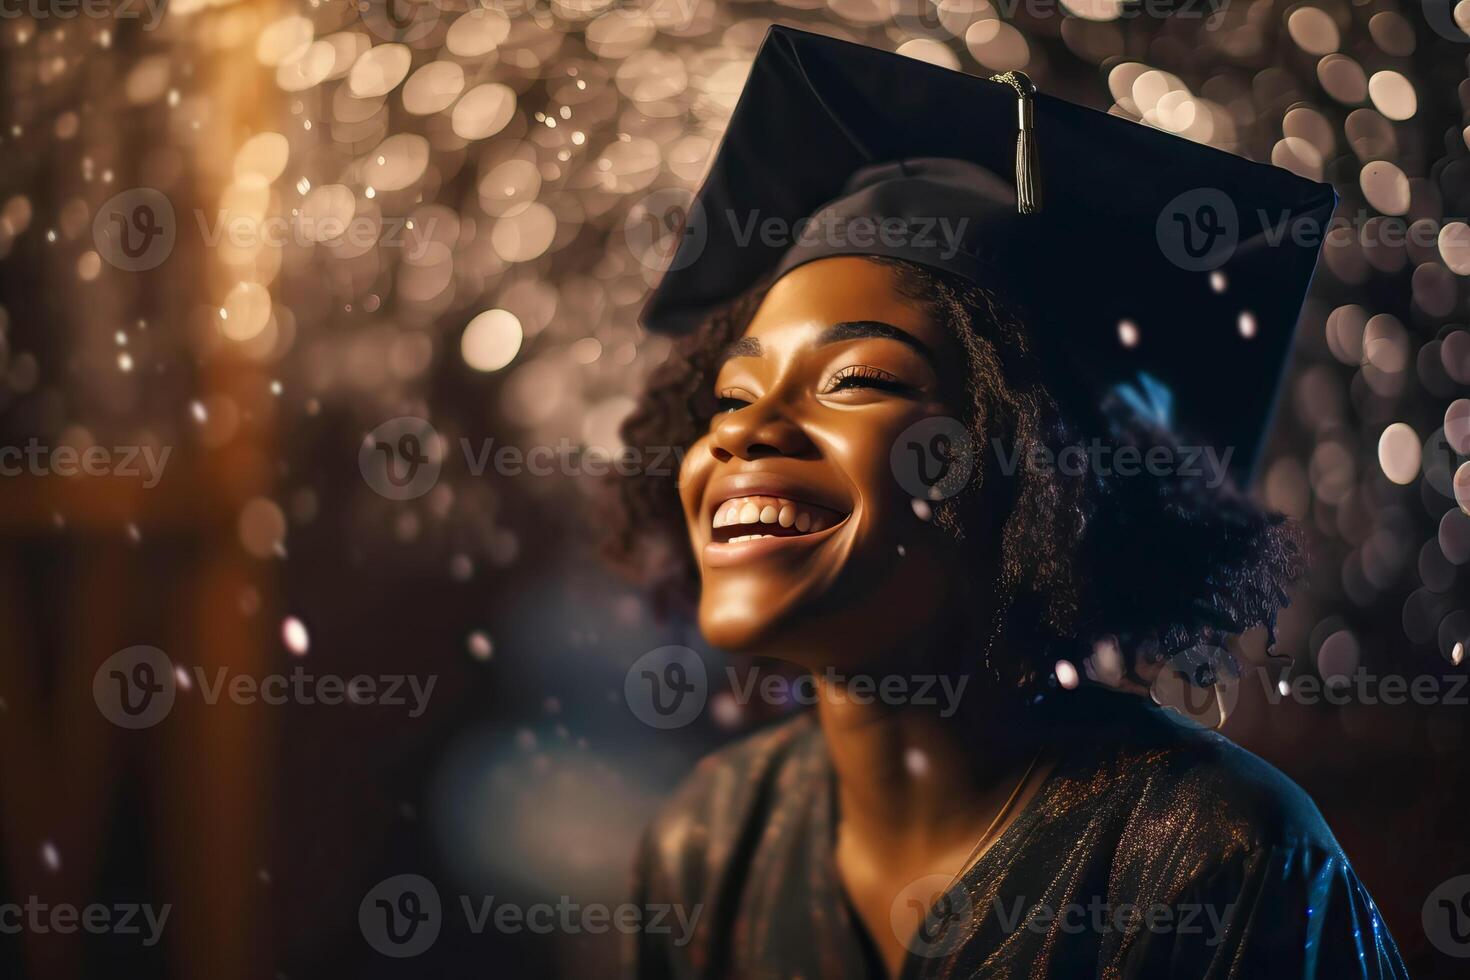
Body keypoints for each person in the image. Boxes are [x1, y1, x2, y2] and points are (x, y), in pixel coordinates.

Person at [614, 26, 1406, 979]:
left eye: (860, 377)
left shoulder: (1219, 860)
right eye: (731, 398)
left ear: (1035, 466)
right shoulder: (706, 846)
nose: (742, 433)